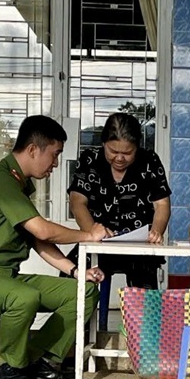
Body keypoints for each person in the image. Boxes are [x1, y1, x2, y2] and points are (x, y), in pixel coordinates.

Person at [0, 115, 112, 379]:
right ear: (34, 149)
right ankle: (8, 366)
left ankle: (42, 361)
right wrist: (88, 234)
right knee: (23, 296)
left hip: (5, 278)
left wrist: (76, 272)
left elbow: (38, 240)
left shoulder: (20, 185)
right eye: (55, 154)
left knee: (84, 292)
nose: (56, 164)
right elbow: (43, 230)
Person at [66, 112, 172, 289]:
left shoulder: (150, 161)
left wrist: (156, 232)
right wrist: (91, 232)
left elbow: (162, 204)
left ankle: (142, 317)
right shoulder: (89, 160)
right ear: (103, 144)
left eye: (127, 152)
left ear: (137, 147)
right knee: (70, 275)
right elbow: (77, 202)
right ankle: (79, 316)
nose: (120, 158)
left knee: (145, 295)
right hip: (98, 242)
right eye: (113, 151)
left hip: (139, 246)